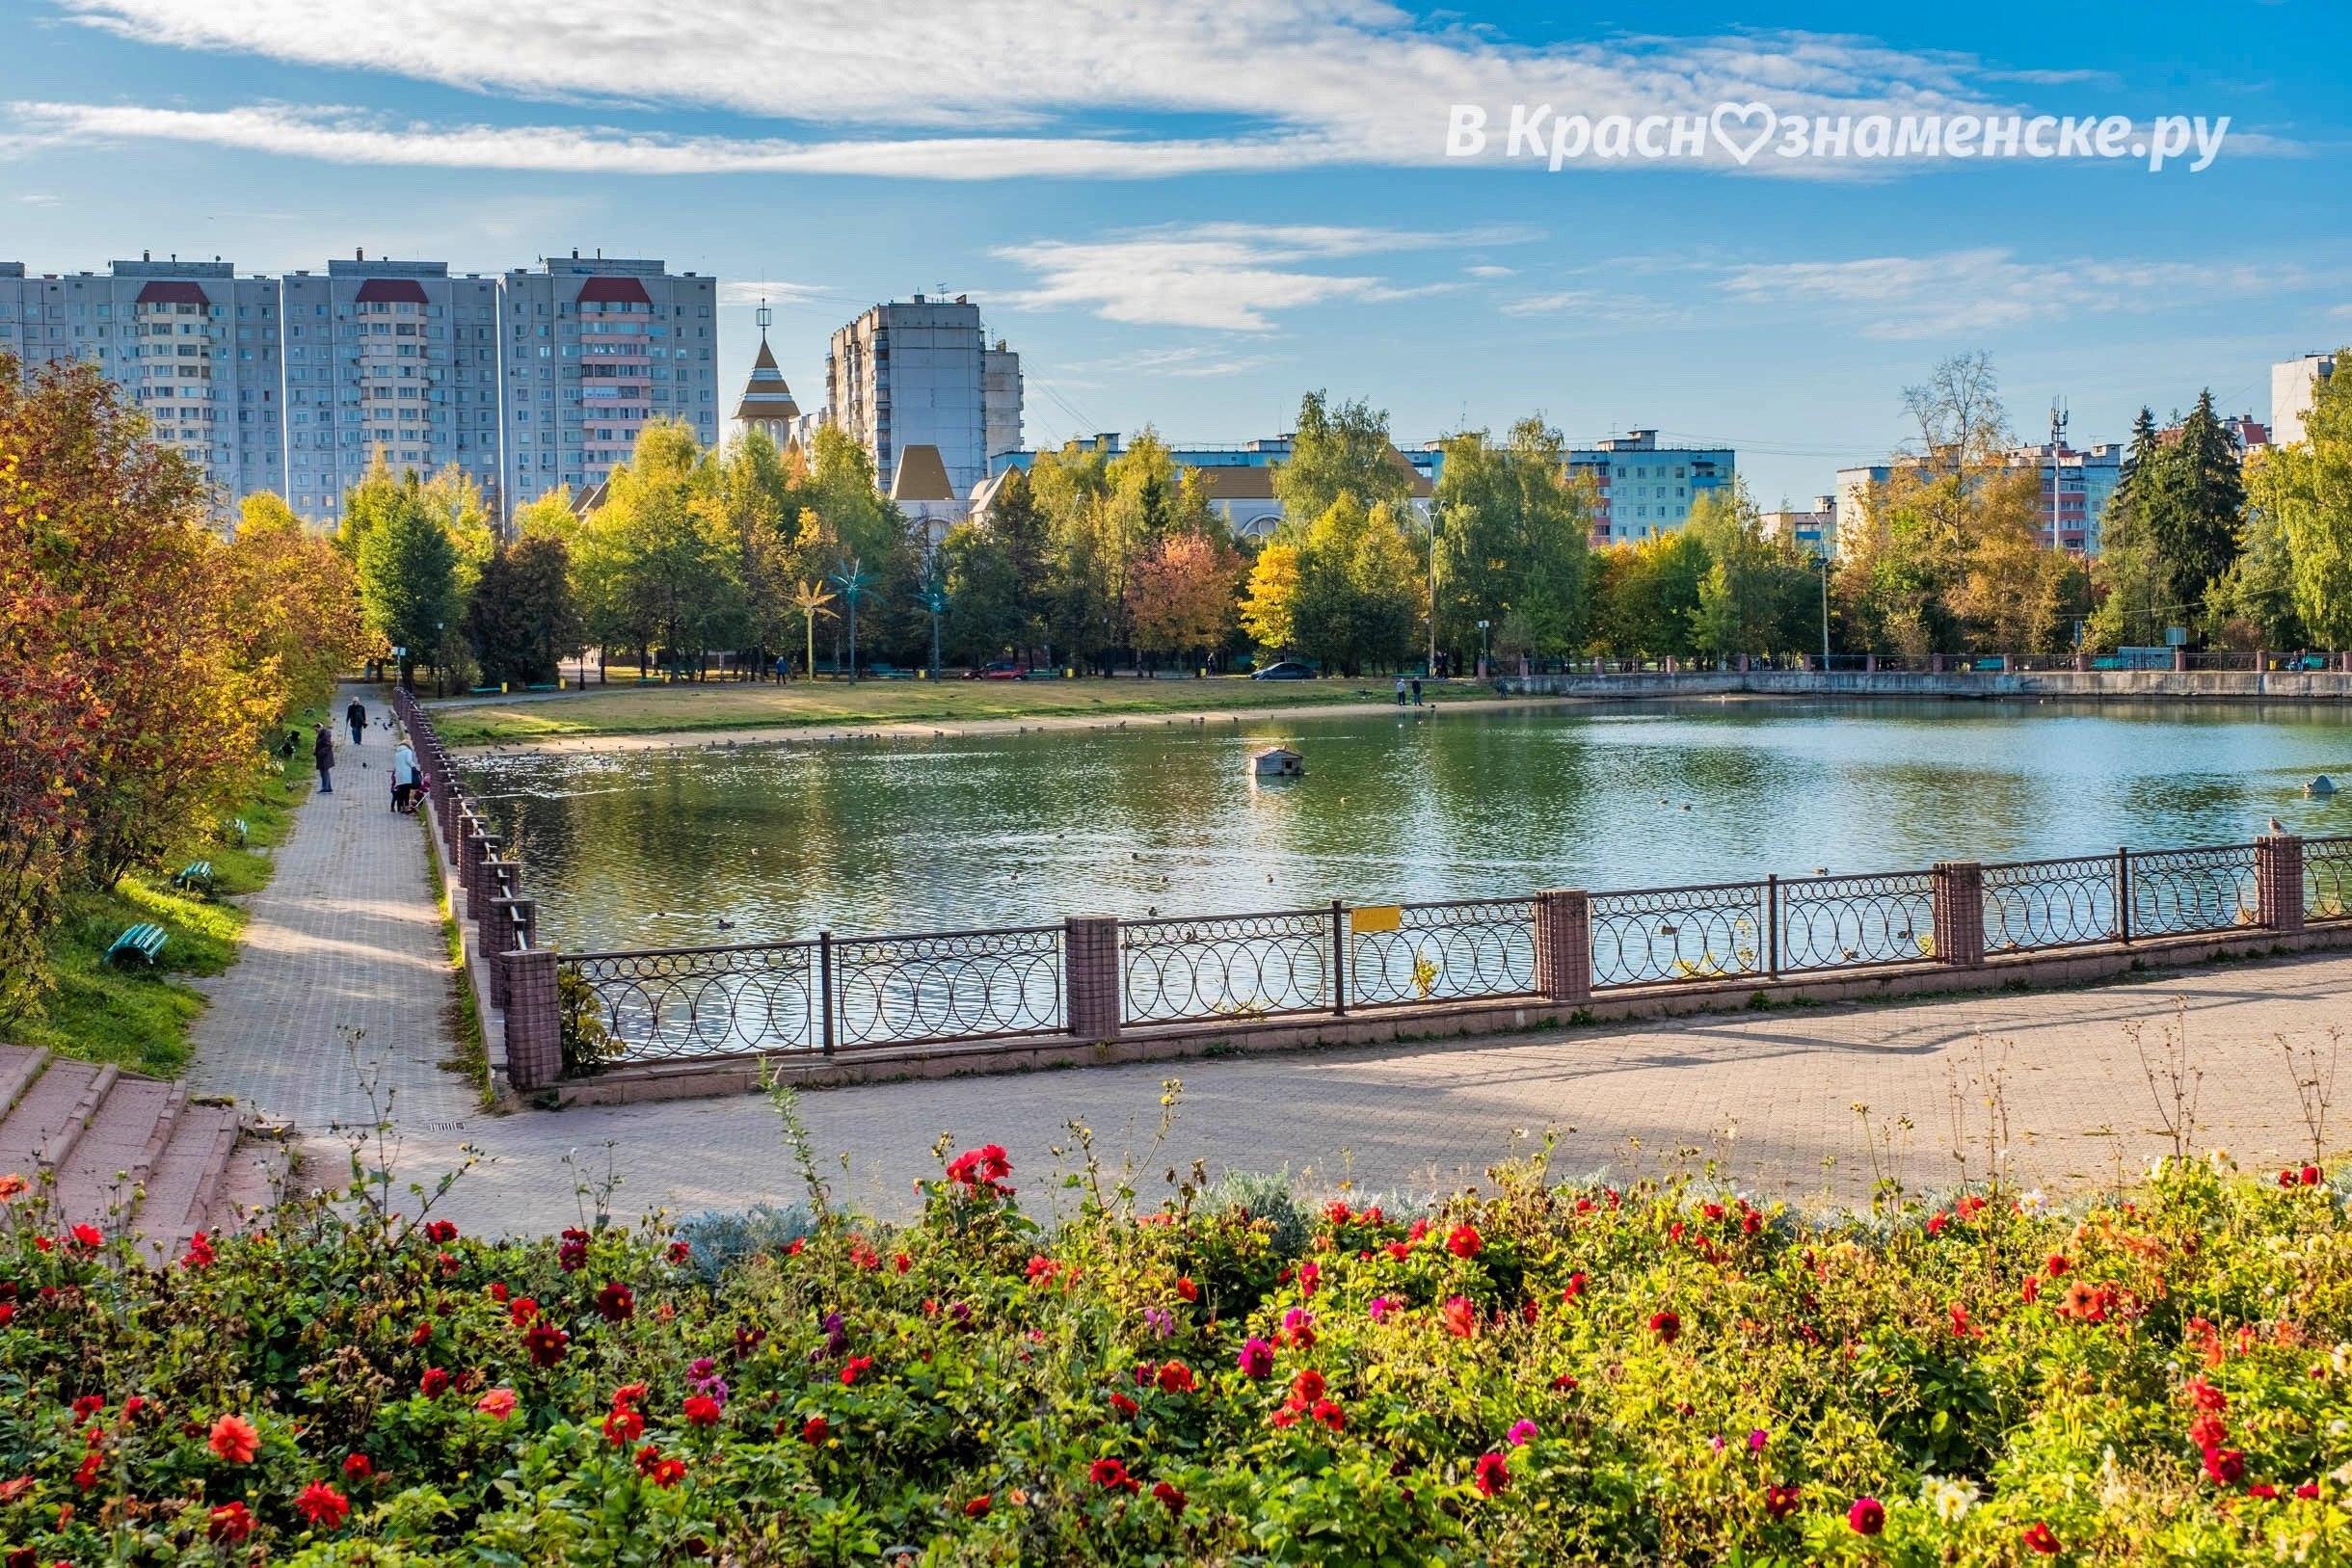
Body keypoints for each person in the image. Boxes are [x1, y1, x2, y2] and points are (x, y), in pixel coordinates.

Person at [392, 739, 419, 812]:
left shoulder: (397, 753)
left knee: (400, 792)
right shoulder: (408, 751)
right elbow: (408, 761)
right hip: (406, 774)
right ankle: (406, 808)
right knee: (406, 792)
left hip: (399, 775)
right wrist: (414, 766)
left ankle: (401, 808)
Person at [313, 725, 335, 794]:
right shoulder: (322, 734)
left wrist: (320, 752)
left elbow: (328, 746)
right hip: (323, 756)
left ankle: (325, 788)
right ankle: (328, 787)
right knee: (324, 772)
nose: (316, 731)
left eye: (316, 730)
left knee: (324, 772)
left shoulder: (325, 735)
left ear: (320, 727)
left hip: (325, 757)